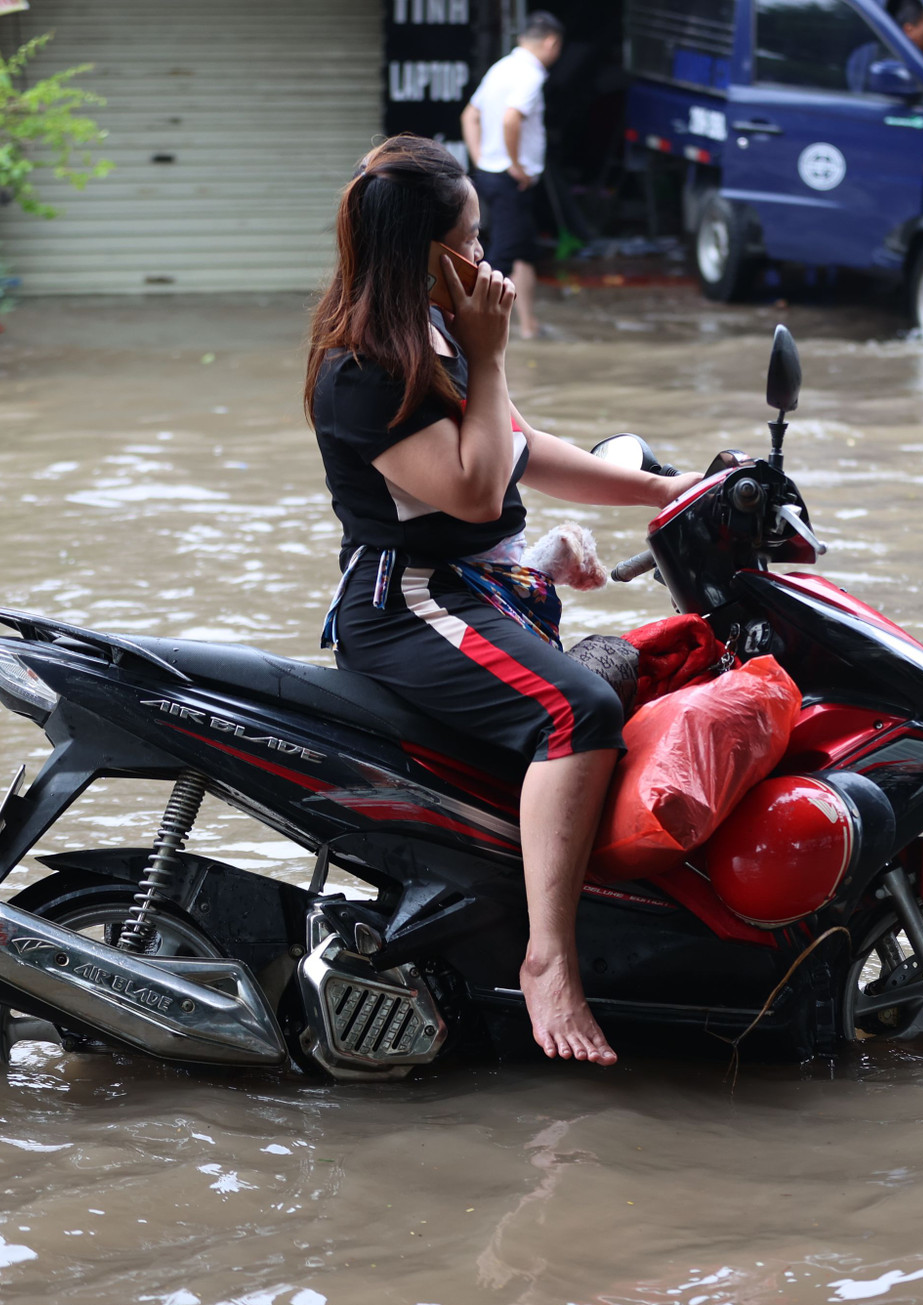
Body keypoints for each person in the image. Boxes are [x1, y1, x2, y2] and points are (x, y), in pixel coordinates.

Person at [305, 135, 700, 1065]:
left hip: (468, 589)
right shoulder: (363, 368)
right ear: (424, 256)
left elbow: (523, 447)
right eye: (470, 241)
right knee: (579, 709)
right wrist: (491, 354)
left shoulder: (435, 336)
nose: (484, 258)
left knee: (643, 669)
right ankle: (548, 960)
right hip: (406, 602)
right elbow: (479, 490)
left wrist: (670, 487)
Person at [460, 12, 563, 340]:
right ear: (551, 43)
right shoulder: (530, 74)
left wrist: (480, 158)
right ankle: (463, 327)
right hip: (510, 179)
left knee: (523, 250)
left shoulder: (501, 67)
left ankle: (529, 326)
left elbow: (469, 115)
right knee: (502, 255)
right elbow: (510, 119)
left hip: (491, 174)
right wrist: (515, 163)